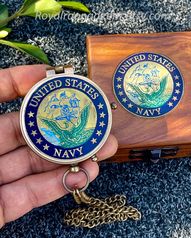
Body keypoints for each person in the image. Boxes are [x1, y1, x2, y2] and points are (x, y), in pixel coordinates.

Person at [0, 65, 118, 228]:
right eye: (62, 109)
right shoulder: (54, 123)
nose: (66, 112)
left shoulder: (79, 120)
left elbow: (82, 114)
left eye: (68, 108)